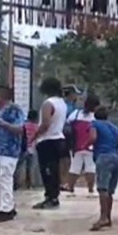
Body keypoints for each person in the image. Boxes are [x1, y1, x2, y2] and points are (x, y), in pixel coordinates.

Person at [0, 85, 25, 222]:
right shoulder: (0, 110)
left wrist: (4, 124)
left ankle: (6, 209)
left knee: (5, 177)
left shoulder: (13, 110)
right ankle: (8, 204)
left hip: (9, 150)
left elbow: (19, 129)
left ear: (2, 96)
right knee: (2, 177)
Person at [33, 78, 68, 210]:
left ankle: (50, 197)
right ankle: (54, 197)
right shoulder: (62, 103)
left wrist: (36, 135)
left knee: (46, 170)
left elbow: (46, 123)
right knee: (54, 170)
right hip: (59, 138)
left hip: (48, 140)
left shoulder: (48, 103)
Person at [88, 106, 118, 231]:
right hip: (116, 158)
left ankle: (103, 217)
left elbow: (93, 138)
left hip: (103, 157)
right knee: (110, 191)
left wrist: (86, 145)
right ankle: (108, 217)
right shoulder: (114, 127)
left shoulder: (94, 124)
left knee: (103, 188)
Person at [66, 94, 100, 194]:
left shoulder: (76, 113)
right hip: (91, 145)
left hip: (76, 145)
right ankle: (90, 189)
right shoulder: (97, 116)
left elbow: (68, 123)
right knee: (90, 167)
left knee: (74, 167)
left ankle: (70, 187)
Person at [19, 110, 40, 189]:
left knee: (20, 166)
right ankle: (30, 184)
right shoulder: (37, 127)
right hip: (32, 149)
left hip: (23, 148)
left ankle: (18, 184)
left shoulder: (23, 125)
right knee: (30, 167)